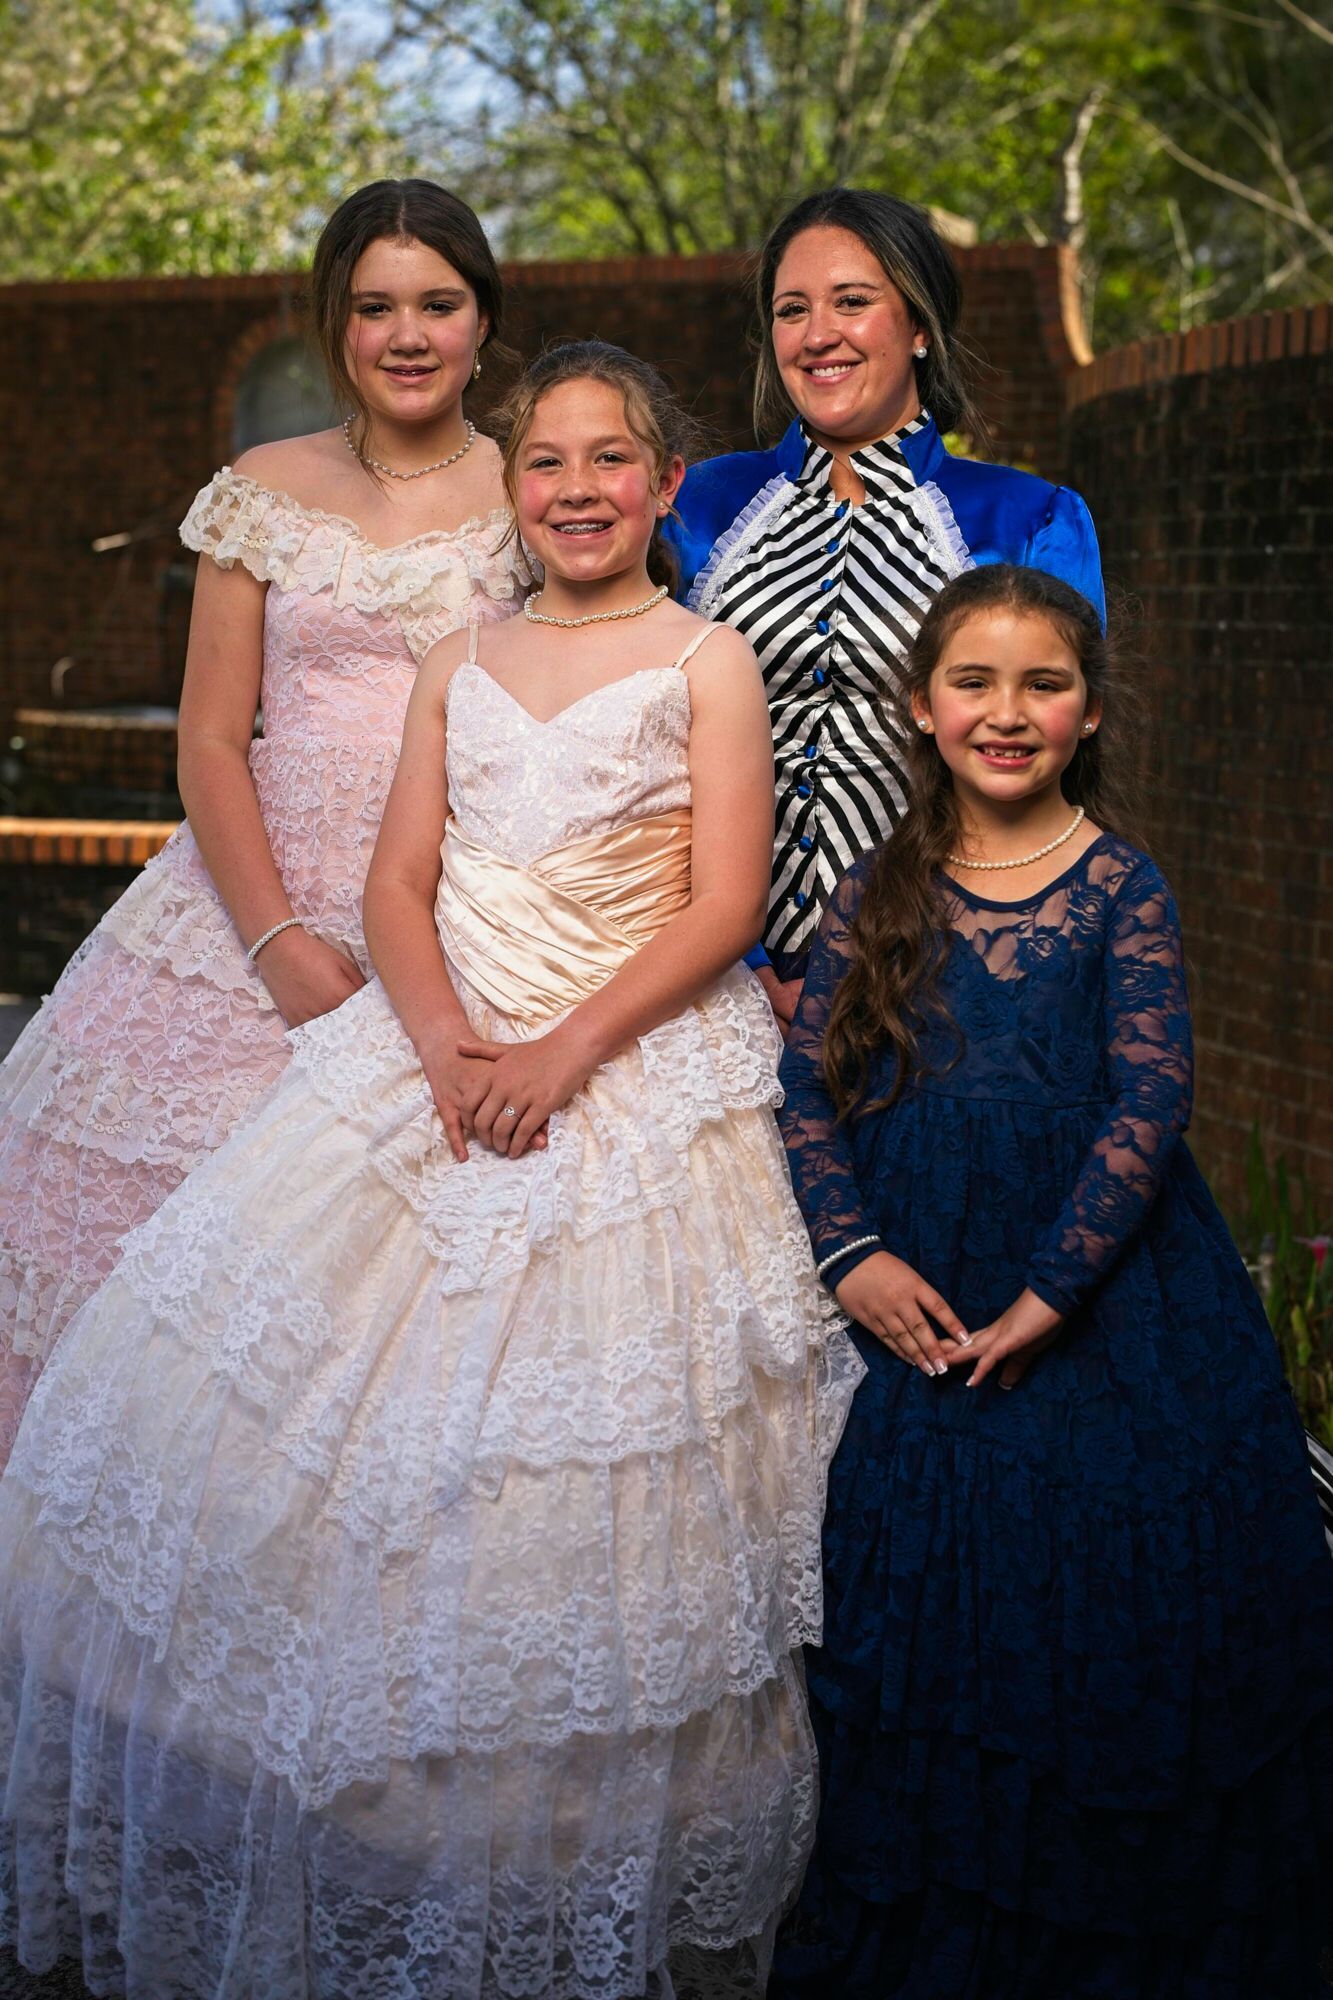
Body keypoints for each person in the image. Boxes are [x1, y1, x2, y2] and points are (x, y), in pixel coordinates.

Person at [0, 342, 861, 2000]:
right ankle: (338, 1833)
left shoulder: (706, 661)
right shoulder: (459, 658)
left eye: (613, 461)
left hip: (627, 1058)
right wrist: (448, 1042)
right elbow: (398, 881)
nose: (580, 491)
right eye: (547, 464)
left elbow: (721, 902)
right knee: (305, 1439)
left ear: (663, 486)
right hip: (433, 1051)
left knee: (579, 1464)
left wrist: (560, 1053)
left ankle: (549, 1854)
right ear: (512, 495)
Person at [767, 562, 1333, 1998]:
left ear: (1087, 715)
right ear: (921, 707)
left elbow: (1149, 1105)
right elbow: (803, 1090)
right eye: (974, 682)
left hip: (1092, 1306)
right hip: (911, 1287)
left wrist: (1048, 1296)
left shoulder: (1120, 885)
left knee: (1104, 1617)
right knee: (919, 1622)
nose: (1006, 712)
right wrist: (855, 1260)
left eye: (1042, 684)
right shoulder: (877, 888)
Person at [0, 179, 521, 1460]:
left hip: (471, 913)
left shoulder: (539, 482)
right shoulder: (261, 486)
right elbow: (207, 740)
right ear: (334, 325)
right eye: (373, 307)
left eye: (437, 304)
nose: (407, 334)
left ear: (483, 320)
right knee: (162, 1266)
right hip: (259, 903)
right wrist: (277, 940)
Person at [666, 187, 1104, 1036]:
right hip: (704, 974)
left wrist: (902, 963)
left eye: (853, 302)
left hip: (938, 983)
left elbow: (1050, 777)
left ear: (918, 327)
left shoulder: (1028, 519)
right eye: (792, 310)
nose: (818, 333)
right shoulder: (697, 506)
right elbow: (634, 741)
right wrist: (742, 963)